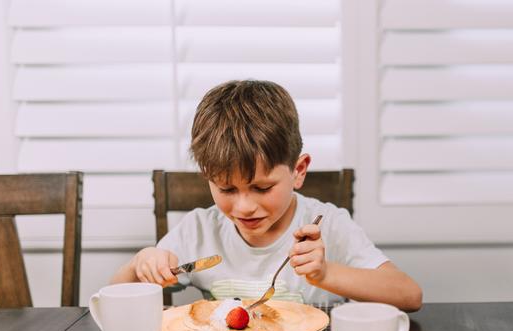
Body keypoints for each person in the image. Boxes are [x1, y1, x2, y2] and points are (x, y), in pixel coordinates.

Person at [111, 80, 423, 312]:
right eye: (226, 189)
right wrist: (141, 262)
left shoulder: (327, 226)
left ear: (298, 171)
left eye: (262, 188)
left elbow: (409, 296)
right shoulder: (198, 231)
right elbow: (115, 301)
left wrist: (326, 273)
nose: (244, 207)